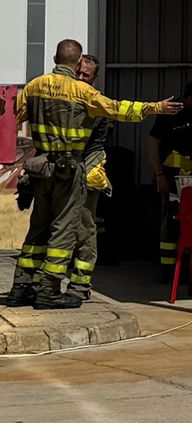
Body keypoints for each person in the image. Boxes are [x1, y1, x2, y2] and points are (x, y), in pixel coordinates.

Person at [9, 40, 178, 310]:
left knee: (38, 228)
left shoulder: (34, 86)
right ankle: (50, 291)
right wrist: (155, 107)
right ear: (77, 65)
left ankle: (21, 287)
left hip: (42, 169)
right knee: (64, 231)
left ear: (54, 58)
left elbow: (14, 115)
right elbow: (119, 108)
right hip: (69, 171)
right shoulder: (83, 93)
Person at [146, 80, 192, 275]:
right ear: (190, 98)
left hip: (188, 179)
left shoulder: (191, 115)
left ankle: (185, 266)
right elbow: (152, 143)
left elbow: (187, 147)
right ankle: (169, 269)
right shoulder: (171, 112)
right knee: (171, 222)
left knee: (187, 222)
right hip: (170, 177)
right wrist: (160, 176)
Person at [67, 55, 113, 302]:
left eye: (86, 75)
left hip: (86, 172)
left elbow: (83, 144)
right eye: (78, 72)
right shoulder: (65, 96)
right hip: (67, 171)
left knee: (85, 228)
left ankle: (81, 285)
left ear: (94, 78)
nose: (81, 78)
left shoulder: (95, 103)